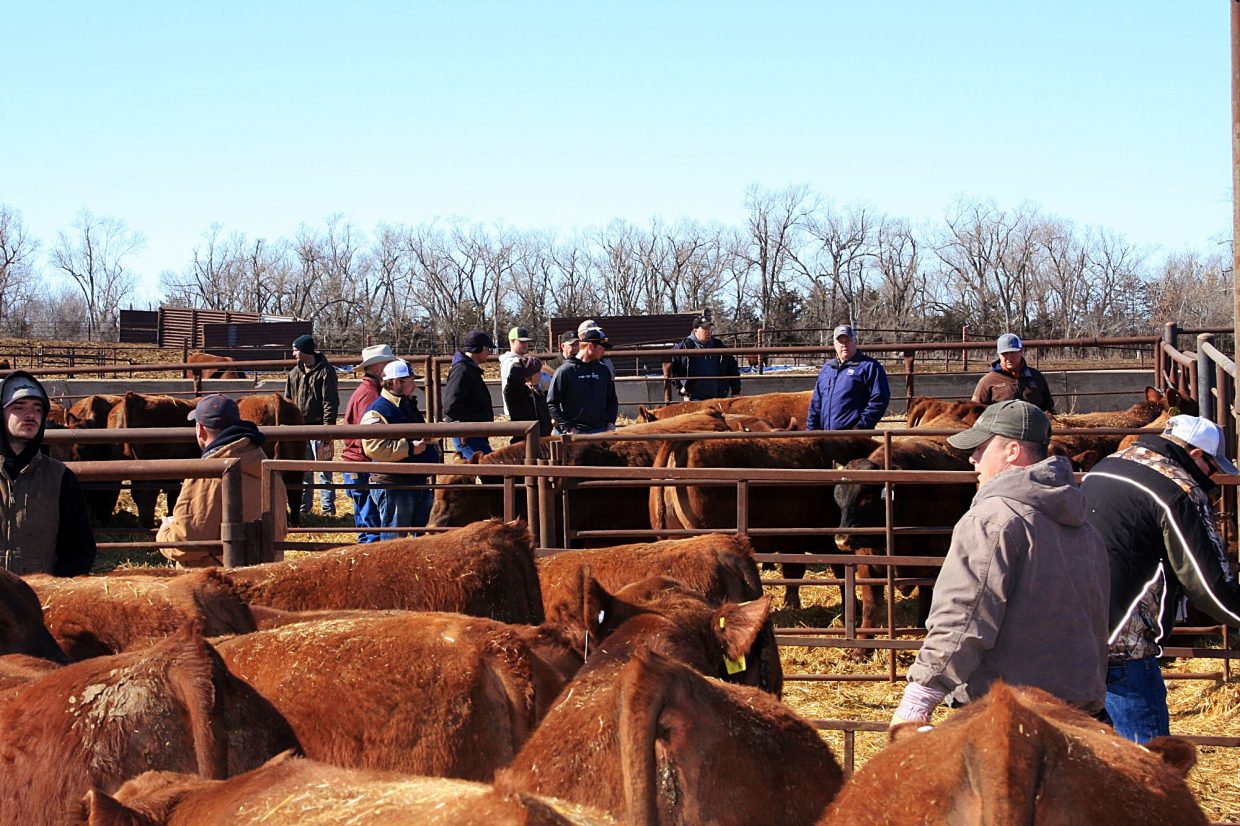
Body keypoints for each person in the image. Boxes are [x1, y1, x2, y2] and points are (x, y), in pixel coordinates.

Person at [891, 400, 1110, 726]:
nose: (972, 458)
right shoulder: (1083, 523)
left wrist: (923, 691)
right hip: (1082, 712)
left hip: (1006, 715)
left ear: (1011, 451)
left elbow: (965, 612)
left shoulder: (993, 519)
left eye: (981, 448)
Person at [1081, 415, 1240, 743]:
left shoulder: (1109, 464)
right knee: (1149, 769)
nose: (1213, 477)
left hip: (1077, 636)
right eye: (1213, 466)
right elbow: (1207, 586)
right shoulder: (1177, 489)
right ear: (1196, 456)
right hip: (1125, 644)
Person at [157, 394, 288, 568]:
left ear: (200, 430)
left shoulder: (208, 475)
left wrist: (165, 531)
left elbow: (186, 544)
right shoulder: (268, 469)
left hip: (216, 581)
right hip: (265, 573)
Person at [0, 372, 95, 576]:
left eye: (37, 408)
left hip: (39, 599)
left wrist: (56, 592)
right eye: (19, 407)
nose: (30, 415)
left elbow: (79, 550)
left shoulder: (60, 477)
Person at [360, 360, 440, 540]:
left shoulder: (405, 405)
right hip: (393, 483)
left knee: (423, 535)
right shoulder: (376, 411)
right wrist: (410, 448)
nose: (414, 385)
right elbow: (372, 447)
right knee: (394, 538)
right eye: (411, 381)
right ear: (396, 382)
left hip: (413, 480)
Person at [341, 344, 397, 543]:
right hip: (362, 461)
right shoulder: (371, 395)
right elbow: (370, 435)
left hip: (355, 461)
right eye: (388, 365)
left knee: (366, 520)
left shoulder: (366, 390)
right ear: (377, 367)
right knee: (372, 521)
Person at [284, 334, 339, 516]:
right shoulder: (294, 374)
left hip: (319, 428)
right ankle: (304, 510)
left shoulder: (326, 372)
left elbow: (330, 402)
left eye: (295, 350)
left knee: (325, 472)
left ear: (305, 350)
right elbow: (288, 401)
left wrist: (327, 429)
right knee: (304, 472)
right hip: (300, 431)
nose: (293, 353)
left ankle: (327, 510)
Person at [806, 325, 890, 431]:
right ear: (834, 345)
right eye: (840, 342)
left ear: (855, 342)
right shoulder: (827, 369)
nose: (844, 345)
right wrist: (812, 430)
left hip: (854, 437)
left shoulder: (869, 366)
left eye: (848, 340)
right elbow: (816, 403)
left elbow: (879, 399)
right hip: (826, 436)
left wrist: (861, 427)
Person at [547, 327, 618, 435]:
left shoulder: (602, 370)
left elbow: (612, 399)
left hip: (600, 429)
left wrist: (611, 422)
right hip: (576, 431)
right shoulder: (565, 371)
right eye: (601, 348)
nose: (603, 352)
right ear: (590, 346)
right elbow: (552, 403)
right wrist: (568, 427)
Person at [443, 330, 496, 460]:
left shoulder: (467, 369)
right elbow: (450, 406)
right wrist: (477, 419)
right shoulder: (462, 370)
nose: (489, 352)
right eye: (487, 348)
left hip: (471, 432)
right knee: (490, 472)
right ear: (478, 349)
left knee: (485, 470)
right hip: (467, 434)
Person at [972, 333, 1055, 413]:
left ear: (1021, 352)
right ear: (999, 354)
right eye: (1005, 353)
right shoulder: (987, 381)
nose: (1009, 358)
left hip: (1033, 425)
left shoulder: (1036, 377)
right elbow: (975, 411)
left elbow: (1048, 407)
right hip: (1001, 426)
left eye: (1013, 352)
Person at [667, 316, 742, 402]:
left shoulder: (718, 345)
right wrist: (680, 387)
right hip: (694, 398)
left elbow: (732, 367)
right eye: (704, 329)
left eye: (709, 328)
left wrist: (736, 390)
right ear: (695, 330)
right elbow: (671, 369)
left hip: (718, 397)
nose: (708, 332)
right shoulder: (683, 347)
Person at [504, 355, 553, 442]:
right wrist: (521, 368)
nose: (540, 375)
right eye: (537, 372)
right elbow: (514, 381)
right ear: (529, 374)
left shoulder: (537, 391)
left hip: (541, 439)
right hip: (524, 440)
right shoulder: (517, 393)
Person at [498, 326, 536, 416]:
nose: (525, 344)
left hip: (523, 409)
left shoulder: (520, 359)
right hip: (515, 411)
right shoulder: (509, 362)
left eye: (526, 341)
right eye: (521, 342)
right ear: (512, 341)